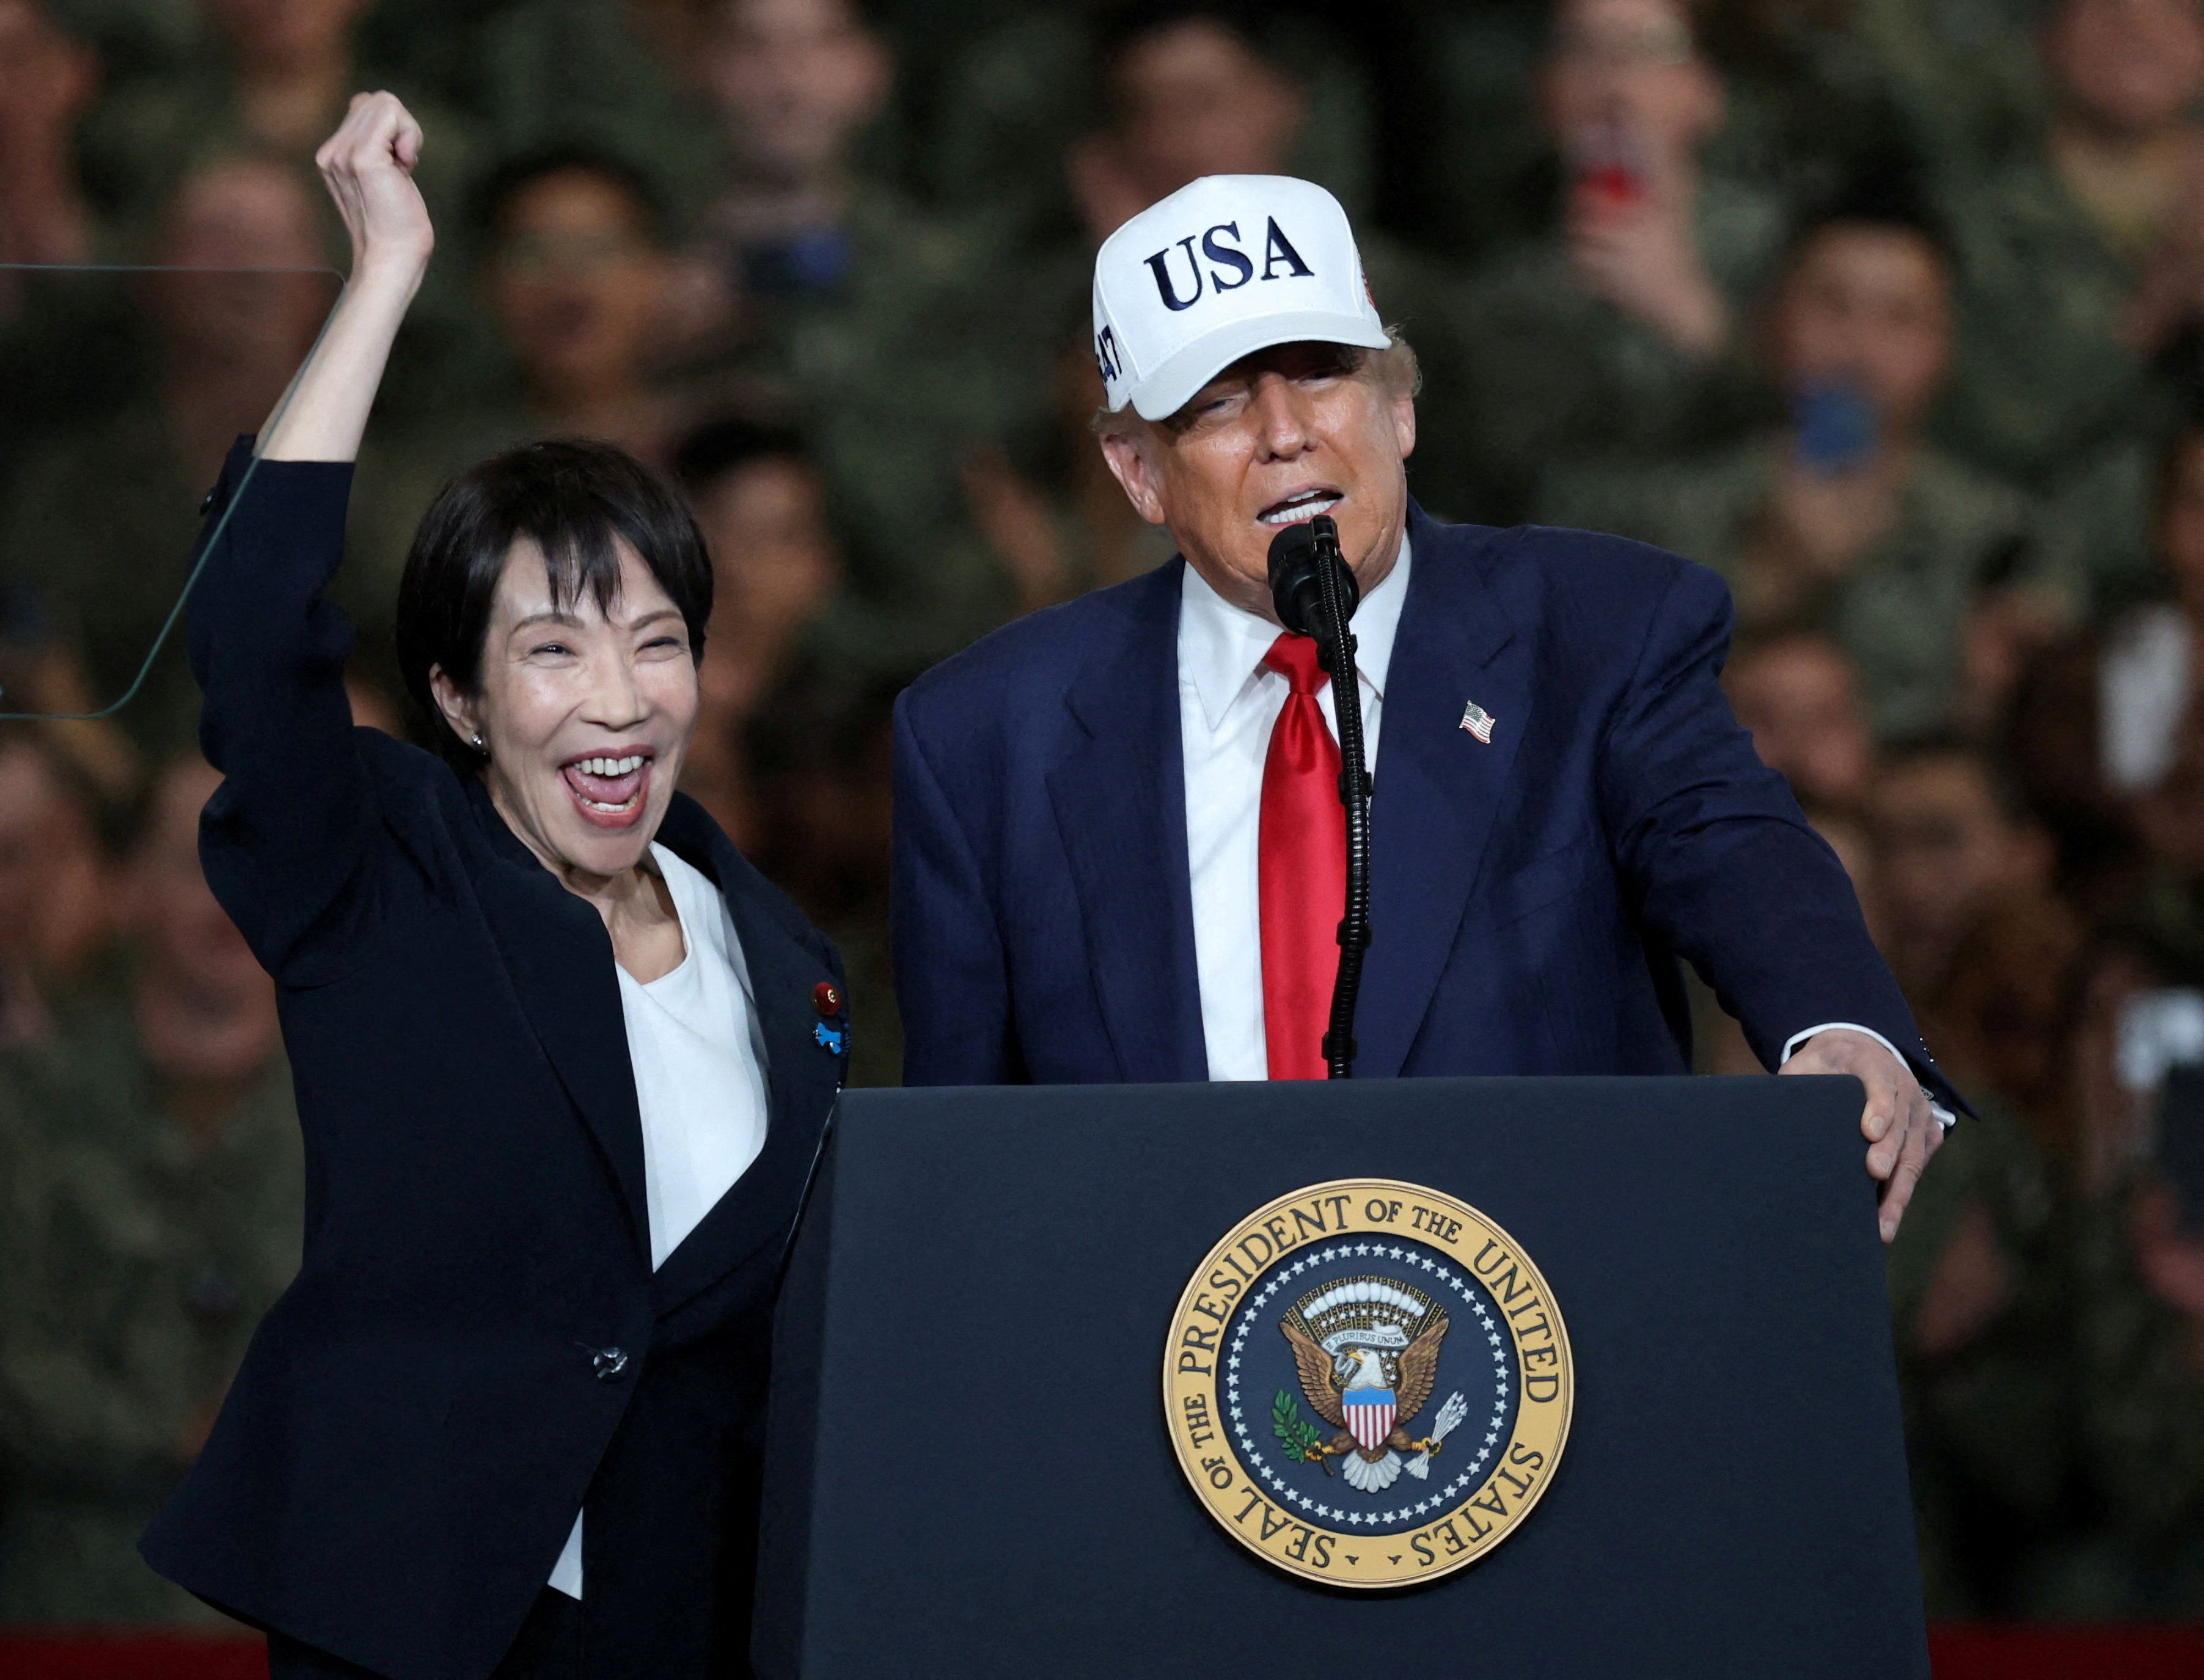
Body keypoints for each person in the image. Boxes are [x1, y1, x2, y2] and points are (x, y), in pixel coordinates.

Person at [893, 171, 1960, 1242]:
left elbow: (1733, 848)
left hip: (1554, 1350)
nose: (1284, 431)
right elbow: (962, 1179)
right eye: (1217, 402)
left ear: (1398, 407)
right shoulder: (987, 738)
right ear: (1137, 473)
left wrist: (1836, 1025)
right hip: (1147, 1374)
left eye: (1321, 374)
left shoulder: (1593, 634)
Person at [134, 95, 846, 1677]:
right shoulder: (383, 869)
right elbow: (255, 618)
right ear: (457, 701)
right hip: (418, 1609)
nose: (616, 696)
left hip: (695, 1618)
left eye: (655, 640)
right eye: (552, 647)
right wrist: (382, 273)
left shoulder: (782, 953)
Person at [1547, 187, 2064, 740]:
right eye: (1831, 304)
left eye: (1900, 317)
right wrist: (1771, 579)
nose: (1858, 346)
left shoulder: (2005, 537)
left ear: (1945, 347)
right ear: (1771, 319)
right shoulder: (1655, 512)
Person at [0, 753, 299, 1626]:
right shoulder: (28, 1112)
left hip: (298, 1612)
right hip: (66, 1612)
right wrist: (167, 1432)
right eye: (198, 857)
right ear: (128, 889)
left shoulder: (383, 1128)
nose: (231, 893)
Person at [1448, 0, 1782, 522]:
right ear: (1545, 92)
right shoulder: (1500, 296)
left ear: (1707, 89)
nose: (1614, 78)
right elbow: (1531, 495)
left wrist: (1699, 324)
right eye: (1584, 49)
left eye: (1649, 49)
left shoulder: (1785, 255)